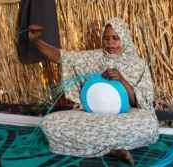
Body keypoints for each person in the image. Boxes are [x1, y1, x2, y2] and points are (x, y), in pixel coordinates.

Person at [28, 18, 159, 165]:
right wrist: (37, 41)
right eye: (106, 38)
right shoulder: (92, 58)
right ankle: (111, 150)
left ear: (124, 38)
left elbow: (141, 104)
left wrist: (122, 80)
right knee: (50, 123)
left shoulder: (138, 65)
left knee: (148, 125)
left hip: (125, 116)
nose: (110, 43)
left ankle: (91, 145)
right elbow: (61, 57)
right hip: (92, 116)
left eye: (116, 38)